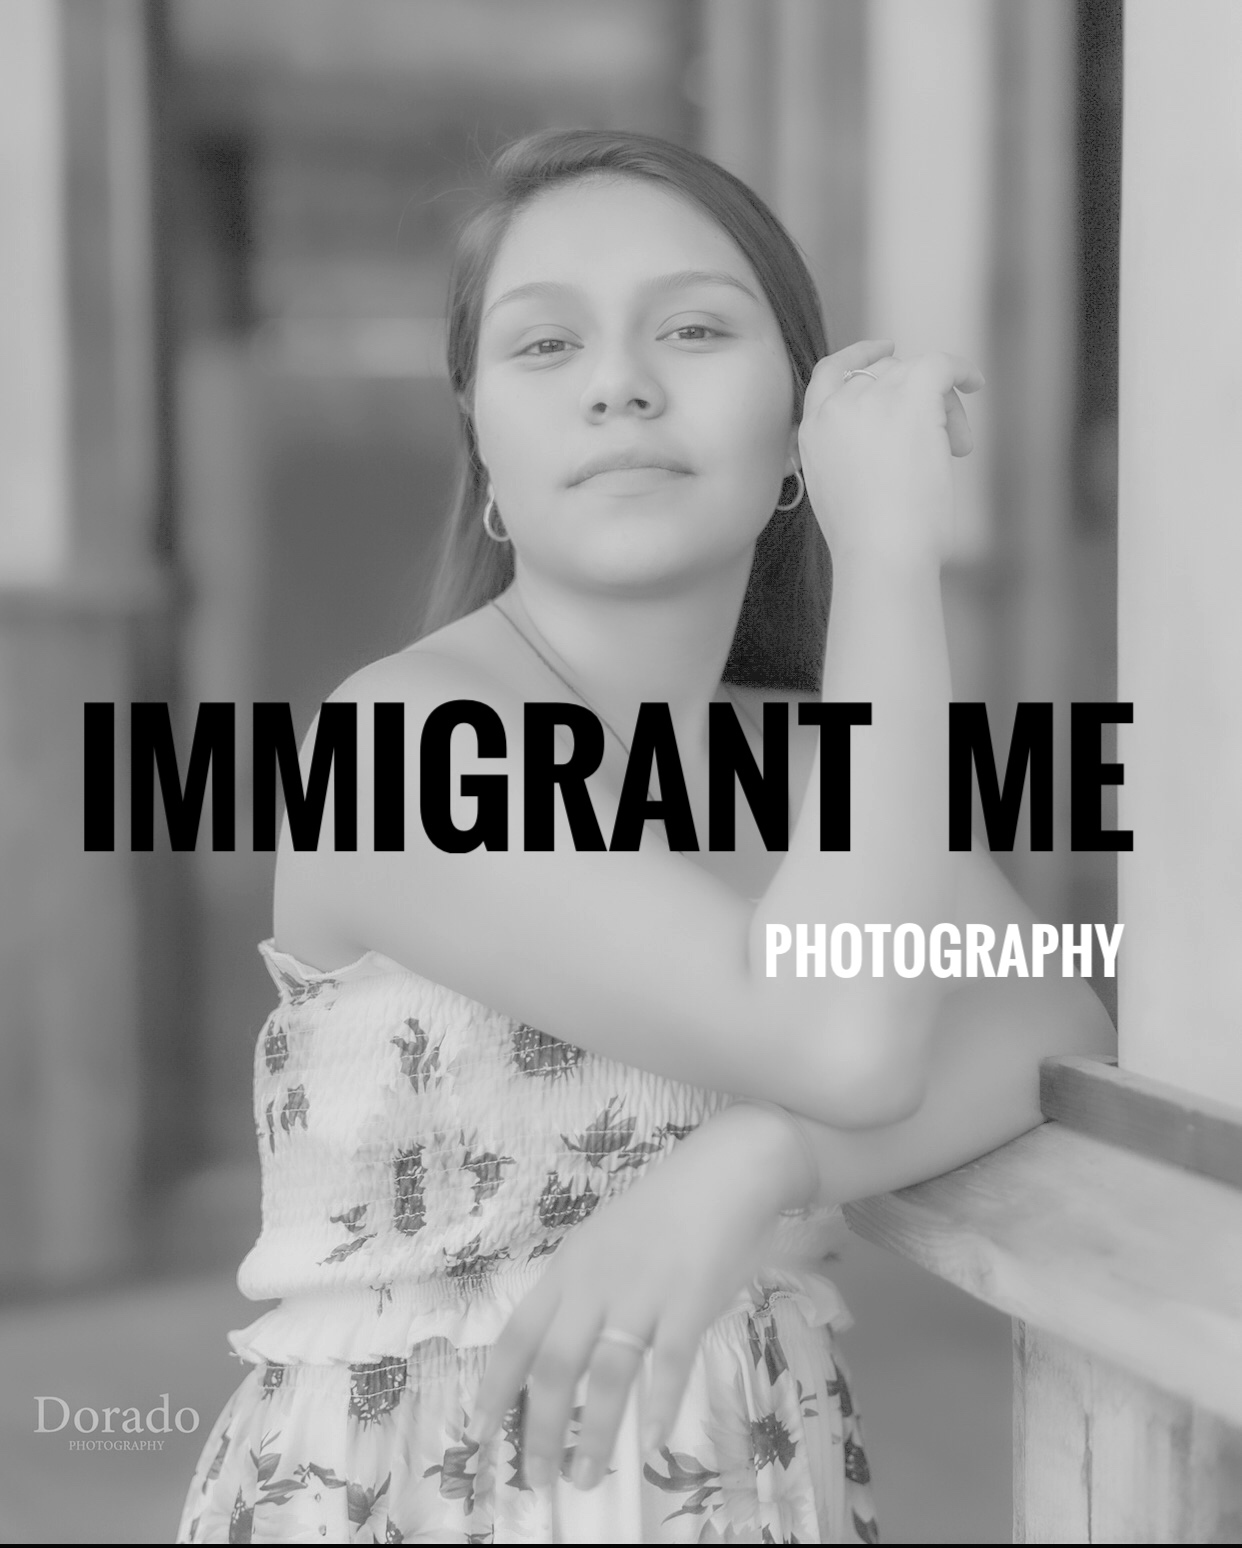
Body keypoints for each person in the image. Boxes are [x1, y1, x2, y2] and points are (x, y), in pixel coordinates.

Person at [176, 129, 1114, 1544]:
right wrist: (891, 557)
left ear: (797, 427)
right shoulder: (407, 739)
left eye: (690, 327)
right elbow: (849, 1037)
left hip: (737, 1478)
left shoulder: (804, 763)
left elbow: (1045, 1024)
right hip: (439, 1496)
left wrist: (756, 1167)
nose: (619, 382)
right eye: (545, 347)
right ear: (481, 444)